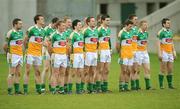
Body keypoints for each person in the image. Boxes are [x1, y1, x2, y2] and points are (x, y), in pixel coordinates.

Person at [23, 14, 46, 94]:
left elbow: (41, 41)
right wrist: (26, 49)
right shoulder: (31, 29)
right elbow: (25, 40)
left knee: (38, 72)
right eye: (42, 19)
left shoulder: (43, 30)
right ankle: (25, 90)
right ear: (37, 20)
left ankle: (38, 90)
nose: (43, 20)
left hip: (38, 54)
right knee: (28, 71)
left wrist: (44, 44)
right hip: (30, 53)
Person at [3, 18, 23, 95]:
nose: (21, 25)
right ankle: (9, 91)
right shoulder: (10, 33)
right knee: (11, 73)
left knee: (18, 73)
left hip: (20, 55)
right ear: (15, 24)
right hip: (13, 55)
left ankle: (17, 91)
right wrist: (8, 54)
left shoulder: (21, 32)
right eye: (20, 24)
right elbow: (5, 45)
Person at [48, 20, 68, 94]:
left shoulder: (65, 34)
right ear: (58, 26)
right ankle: (53, 89)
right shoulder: (53, 35)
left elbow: (66, 44)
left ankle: (61, 89)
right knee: (55, 73)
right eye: (63, 25)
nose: (64, 27)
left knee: (62, 73)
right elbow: (47, 44)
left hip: (64, 55)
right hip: (56, 55)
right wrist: (52, 54)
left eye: (64, 25)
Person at [157, 18, 176, 89]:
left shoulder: (170, 32)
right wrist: (159, 53)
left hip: (170, 52)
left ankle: (170, 85)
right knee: (163, 69)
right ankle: (161, 85)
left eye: (169, 23)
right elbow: (158, 43)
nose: (169, 24)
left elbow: (171, 42)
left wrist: (174, 52)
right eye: (168, 23)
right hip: (164, 52)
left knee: (170, 69)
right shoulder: (160, 32)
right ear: (164, 24)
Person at [41, 17, 59, 92]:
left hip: (53, 51)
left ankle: (51, 85)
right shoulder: (46, 29)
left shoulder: (56, 30)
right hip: (46, 50)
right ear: (53, 23)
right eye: (57, 24)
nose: (58, 25)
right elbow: (41, 40)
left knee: (53, 70)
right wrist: (47, 46)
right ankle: (42, 86)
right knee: (46, 68)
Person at [83, 17, 99, 93]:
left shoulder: (96, 31)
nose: (94, 22)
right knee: (86, 71)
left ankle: (91, 88)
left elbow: (97, 42)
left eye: (94, 21)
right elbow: (81, 41)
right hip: (88, 53)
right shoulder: (85, 31)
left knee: (93, 71)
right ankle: (82, 88)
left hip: (94, 53)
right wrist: (83, 52)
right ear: (88, 23)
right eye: (92, 21)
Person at [117, 20, 134, 91]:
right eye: (130, 26)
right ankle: (121, 86)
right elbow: (118, 44)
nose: (131, 28)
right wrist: (120, 54)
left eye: (131, 26)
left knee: (129, 71)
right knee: (123, 70)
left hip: (130, 54)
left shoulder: (131, 32)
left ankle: (126, 86)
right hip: (123, 55)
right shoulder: (121, 33)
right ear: (126, 25)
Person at [135, 20, 152, 90]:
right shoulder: (137, 33)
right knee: (137, 70)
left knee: (147, 69)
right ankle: (137, 86)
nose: (146, 26)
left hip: (145, 53)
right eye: (145, 25)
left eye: (146, 25)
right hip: (138, 52)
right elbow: (134, 43)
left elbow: (145, 43)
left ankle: (148, 86)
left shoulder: (146, 33)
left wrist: (146, 51)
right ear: (141, 26)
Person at [69, 19, 84, 94]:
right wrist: (71, 56)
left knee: (80, 72)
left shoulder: (81, 34)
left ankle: (78, 90)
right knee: (73, 73)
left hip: (81, 55)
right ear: (75, 26)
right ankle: (69, 90)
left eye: (81, 25)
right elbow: (70, 46)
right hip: (74, 55)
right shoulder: (72, 35)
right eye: (79, 25)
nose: (80, 26)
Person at [98, 14, 111, 93]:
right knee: (100, 70)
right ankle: (98, 87)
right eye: (107, 20)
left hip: (107, 51)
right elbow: (96, 41)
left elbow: (108, 40)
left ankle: (104, 88)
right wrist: (97, 51)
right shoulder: (99, 30)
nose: (109, 22)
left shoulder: (108, 29)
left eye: (109, 20)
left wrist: (110, 49)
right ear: (102, 21)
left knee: (107, 70)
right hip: (101, 51)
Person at [128, 14, 140, 90]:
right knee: (129, 70)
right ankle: (128, 85)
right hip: (130, 51)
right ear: (131, 20)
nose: (137, 21)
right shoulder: (128, 29)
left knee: (136, 69)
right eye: (135, 19)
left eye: (137, 19)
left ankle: (134, 86)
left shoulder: (137, 29)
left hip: (136, 51)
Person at [63, 16, 73, 94]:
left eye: (70, 22)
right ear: (64, 22)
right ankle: (59, 87)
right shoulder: (61, 31)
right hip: (62, 54)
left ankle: (66, 87)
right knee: (61, 72)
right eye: (68, 22)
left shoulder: (71, 32)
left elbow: (71, 44)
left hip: (69, 54)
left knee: (68, 71)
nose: (70, 23)